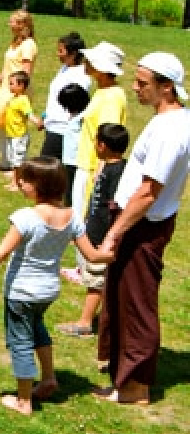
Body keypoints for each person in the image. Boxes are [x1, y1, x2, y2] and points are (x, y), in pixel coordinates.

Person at [0, 157, 112, 416]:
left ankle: (24, 401)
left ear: (41, 185)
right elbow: (93, 256)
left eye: (26, 180)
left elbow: (0, 255)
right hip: (48, 291)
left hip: (21, 292)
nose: (21, 183)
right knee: (37, 329)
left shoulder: (25, 218)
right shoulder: (72, 217)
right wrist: (113, 254)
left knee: (20, 342)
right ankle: (48, 378)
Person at [95, 53, 190, 406]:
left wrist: (114, 231)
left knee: (136, 304)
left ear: (166, 87)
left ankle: (135, 387)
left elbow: (149, 192)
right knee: (121, 297)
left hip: (142, 226)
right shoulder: (169, 121)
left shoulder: (171, 131)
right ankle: (123, 376)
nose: (134, 88)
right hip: (136, 222)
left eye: (142, 83)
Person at [57, 123, 128, 340]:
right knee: (100, 278)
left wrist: (107, 234)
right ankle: (107, 316)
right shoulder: (108, 166)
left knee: (95, 279)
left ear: (102, 145)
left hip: (102, 235)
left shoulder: (118, 171)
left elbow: (113, 205)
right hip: (95, 230)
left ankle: (85, 323)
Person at [71, 42, 127, 220]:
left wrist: (100, 172)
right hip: (87, 163)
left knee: (85, 223)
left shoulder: (111, 96)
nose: (86, 62)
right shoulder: (102, 91)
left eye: (90, 60)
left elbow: (109, 136)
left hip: (93, 167)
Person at [38, 33, 92, 191]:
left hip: (63, 128)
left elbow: (77, 103)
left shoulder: (81, 75)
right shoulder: (64, 69)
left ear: (73, 53)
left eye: (61, 51)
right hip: (52, 124)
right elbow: (54, 98)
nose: (57, 54)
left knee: (48, 169)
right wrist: (44, 117)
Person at [0, 10, 38, 171]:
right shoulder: (15, 42)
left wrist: (20, 93)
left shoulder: (28, 45)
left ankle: (17, 164)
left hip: (17, 91)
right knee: (2, 124)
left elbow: (25, 71)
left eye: (13, 22)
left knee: (16, 127)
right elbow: (6, 68)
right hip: (6, 89)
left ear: (23, 25)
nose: (10, 25)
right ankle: (6, 161)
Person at [0, 72, 42, 186]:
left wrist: (38, 122)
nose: (10, 86)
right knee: (13, 160)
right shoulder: (14, 98)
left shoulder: (23, 100)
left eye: (12, 84)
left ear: (21, 85)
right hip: (11, 134)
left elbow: (29, 114)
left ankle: (17, 183)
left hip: (19, 136)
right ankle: (15, 181)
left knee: (18, 161)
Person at [55, 84, 92, 209]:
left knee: (73, 192)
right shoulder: (75, 115)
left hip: (76, 160)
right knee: (68, 189)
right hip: (69, 159)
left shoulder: (84, 117)